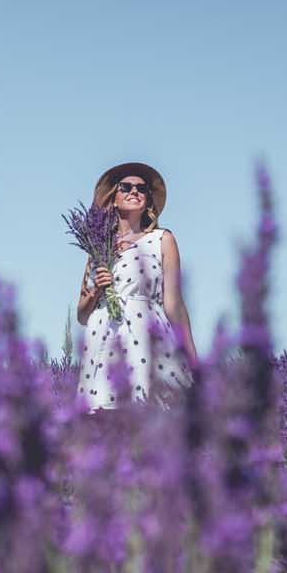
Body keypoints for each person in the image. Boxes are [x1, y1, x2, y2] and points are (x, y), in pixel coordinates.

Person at [75, 162, 198, 412]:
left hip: (147, 339)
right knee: (103, 425)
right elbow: (82, 315)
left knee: (150, 421)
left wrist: (193, 359)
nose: (135, 191)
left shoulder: (162, 240)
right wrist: (98, 289)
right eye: (126, 187)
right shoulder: (96, 248)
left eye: (142, 188)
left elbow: (174, 305)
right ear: (114, 198)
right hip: (103, 342)